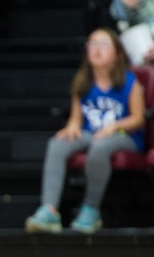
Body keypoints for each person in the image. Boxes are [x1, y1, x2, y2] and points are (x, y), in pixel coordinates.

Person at [25, 28, 146, 235]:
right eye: (93, 44)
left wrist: (114, 126)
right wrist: (71, 126)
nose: (97, 49)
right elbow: (76, 119)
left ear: (117, 52)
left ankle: (91, 209)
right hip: (91, 132)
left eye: (104, 44)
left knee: (99, 147)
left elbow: (138, 119)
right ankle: (49, 210)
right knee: (57, 144)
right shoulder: (82, 82)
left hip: (125, 136)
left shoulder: (129, 81)